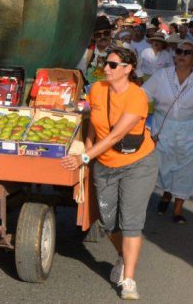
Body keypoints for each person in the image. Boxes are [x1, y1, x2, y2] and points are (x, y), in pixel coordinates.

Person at [62, 47, 158, 300]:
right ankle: (122, 256)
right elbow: (94, 122)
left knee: (130, 222)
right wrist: (89, 146)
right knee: (107, 222)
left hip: (137, 164)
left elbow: (117, 135)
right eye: (106, 63)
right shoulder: (96, 90)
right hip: (104, 164)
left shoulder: (137, 96)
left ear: (128, 69)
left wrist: (84, 157)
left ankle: (129, 279)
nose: (106, 68)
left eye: (113, 65)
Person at [142, 41, 193, 224]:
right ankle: (166, 195)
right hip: (163, 128)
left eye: (187, 52)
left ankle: (178, 208)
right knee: (164, 166)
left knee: (186, 170)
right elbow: (142, 96)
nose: (182, 54)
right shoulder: (161, 76)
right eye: (179, 51)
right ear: (174, 55)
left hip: (190, 130)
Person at [78, 16, 117, 85]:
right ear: (93, 36)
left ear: (110, 32)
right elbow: (81, 76)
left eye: (106, 33)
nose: (103, 37)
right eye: (98, 34)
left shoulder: (121, 48)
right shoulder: (87, 53)